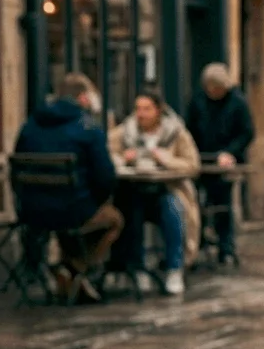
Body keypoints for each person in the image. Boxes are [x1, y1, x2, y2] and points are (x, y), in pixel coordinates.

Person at [12, 74, 123, 300]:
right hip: (74, 211)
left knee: (75, 214)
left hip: (31, 212)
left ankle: (66, 274)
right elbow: (105, 179)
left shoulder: (30, 125)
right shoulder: (89, 128)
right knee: (113, 219)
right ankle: (75, 268)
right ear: (83, 98)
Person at [108, 92, 201, 295]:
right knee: (131, 209)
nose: (141, 114)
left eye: (147, 109)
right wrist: (123, 158)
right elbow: (108, 155)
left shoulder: (176, 132)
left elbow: (193, 164)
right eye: (138, 109)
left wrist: (167, 160)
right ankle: (138, 267)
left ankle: (174, 268)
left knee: (173, 209)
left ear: (158, 111)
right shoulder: (124, 132)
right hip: (134, 190)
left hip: (166, 189)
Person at [185, 63, 255, 261]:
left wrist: (231, 152)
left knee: (222, 202)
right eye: (211, 89)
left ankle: (226, 245)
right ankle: (197, 241)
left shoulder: (238, 103)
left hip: (226, 160)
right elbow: (189, 129)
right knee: (194, 201)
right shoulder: (198, 101)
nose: (215, 92)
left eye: (218, 89)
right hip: (201, 157)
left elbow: (247, 132)